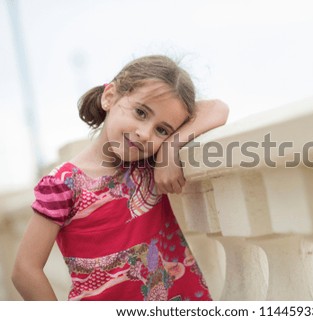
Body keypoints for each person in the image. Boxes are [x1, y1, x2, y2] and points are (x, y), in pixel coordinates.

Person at [11, 55, 229, 300]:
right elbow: (25, 270)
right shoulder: (62, 184)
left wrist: (169, 149)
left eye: (162, 130)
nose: (145, 133)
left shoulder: (148, 163)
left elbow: (216, 108)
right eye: (140, 112)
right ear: (109, 97)